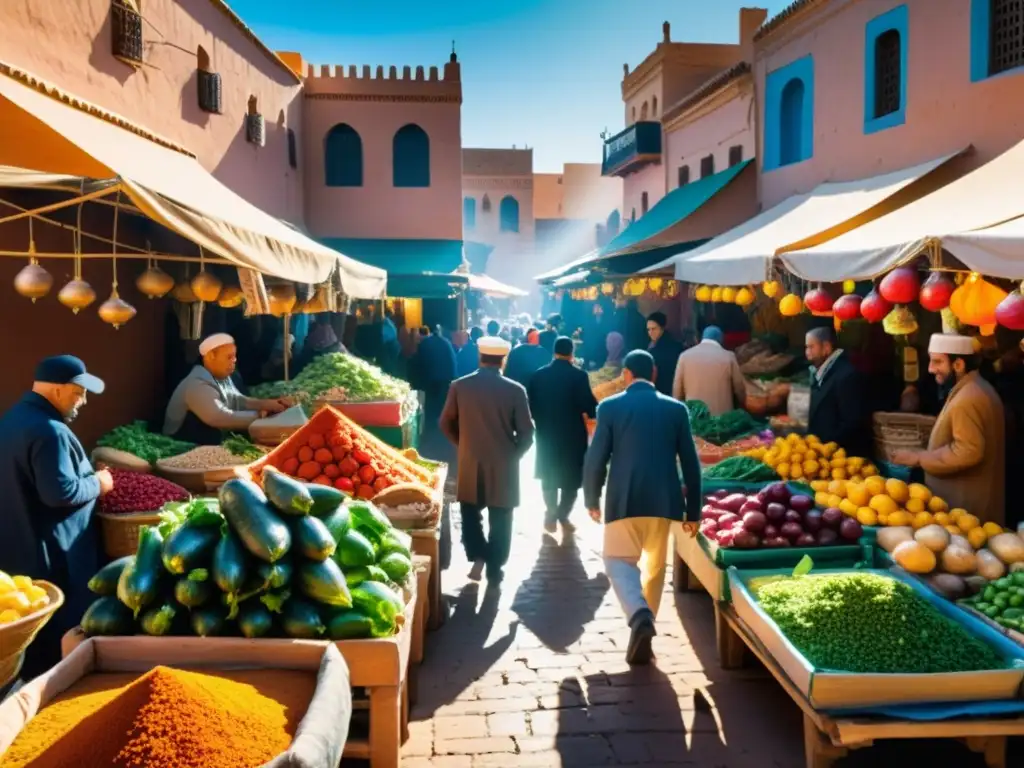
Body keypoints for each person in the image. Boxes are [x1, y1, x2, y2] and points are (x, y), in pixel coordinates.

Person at [583, 350, 702, 665]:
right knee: (654, 570)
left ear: (625, 374)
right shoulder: (676, 410)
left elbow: (596, 458)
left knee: (618, 561)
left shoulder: (609, 407)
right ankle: (645, 630)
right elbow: (691, 463)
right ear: (654, 374)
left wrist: (591, 499)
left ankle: (639, 616)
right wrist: (694, 512)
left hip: (624, 500)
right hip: (665, 502)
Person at [0, 355, 114, 677]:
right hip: (53, 558)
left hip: (20, 549)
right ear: (59, 390)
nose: (84, 400)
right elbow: (60, 493)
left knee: (30, 645)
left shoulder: (12, 420)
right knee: (55, 645)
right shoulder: (50, 431)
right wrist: (99, 483)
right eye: (79, 392)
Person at [440, 336, 534, 584]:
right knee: (501, 517)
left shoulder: (460, 386)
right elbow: (527, 433)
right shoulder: (515, 390)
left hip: (471, 459)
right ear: (503, 361)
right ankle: (495, 567)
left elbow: (445, 422)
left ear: (480, 357)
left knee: (470, 511)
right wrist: (514, 454)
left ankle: (478, 555)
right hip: (504, 462)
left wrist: (463, 444)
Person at [891, 333, 1006, 525]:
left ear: (958, 365)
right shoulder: (973, 388)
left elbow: (968, 451)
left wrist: (919, 458)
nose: (930, 369)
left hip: (966, 509)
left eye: (937, 362)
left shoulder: (969, 398)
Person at [163, 333, 289, 445]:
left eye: (234, 356)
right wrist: (262, 417)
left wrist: (267, 405)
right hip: (181, 445)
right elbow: (220, 417)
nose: (234, 360)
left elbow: (237, 400)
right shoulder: (196, 383)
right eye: (229, 357)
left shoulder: (221, 376)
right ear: (211, 356)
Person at [528, 337, 598, 534]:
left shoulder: (538, 376)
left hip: (546, 434)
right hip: (573, 434)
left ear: (554, 352)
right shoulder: (579, 376)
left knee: (548, 476)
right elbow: (590, 408)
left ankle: (551, 513)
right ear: (571, 353)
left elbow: (530, 406)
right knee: (572, 479)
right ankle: (562, 514)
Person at [806, 326, 870, 458]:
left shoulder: (847, 375)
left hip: (843, 458)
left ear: (826, 348)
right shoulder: (821, 373)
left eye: (811, 347)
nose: (807, 352)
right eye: (806, 347)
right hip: (822, 455)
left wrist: (824, 447)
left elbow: (851, 423)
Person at [672, 326, 746, 415]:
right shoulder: (729, 356)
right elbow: (739, 388)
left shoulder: (684, 356)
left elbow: (677, 390)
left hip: (694, 416)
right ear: (721, 340)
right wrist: (743, 402)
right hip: (722, 419)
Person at [412, 325, 458, 430]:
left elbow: (420, 364)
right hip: (448, 378)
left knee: (432, 405)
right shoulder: (445, 341)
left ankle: (431, 428)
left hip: (433, 379)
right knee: (441, 404)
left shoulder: (425, 344)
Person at [646, 312, 683, 396]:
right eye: (648, 329)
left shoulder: (671, 347)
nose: (650, 332)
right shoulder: (652, 347)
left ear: (662, 328)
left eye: (654, 329)